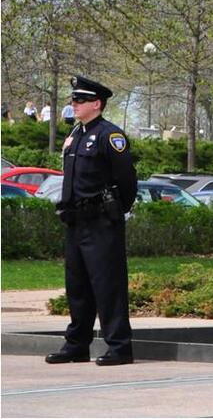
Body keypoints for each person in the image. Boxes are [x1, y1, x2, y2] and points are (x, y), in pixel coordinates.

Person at [46, 75, 138, 366]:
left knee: (108, 285)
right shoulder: (76, 134)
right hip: (76, 222)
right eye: (73, 99)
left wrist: (114, 210)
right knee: (78, 286)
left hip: (101, 222)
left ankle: (119, 347)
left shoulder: (110, 136)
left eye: (80, 100)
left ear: (96, 104)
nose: (74, 104)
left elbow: (127, 179)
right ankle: (77, 344)